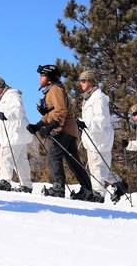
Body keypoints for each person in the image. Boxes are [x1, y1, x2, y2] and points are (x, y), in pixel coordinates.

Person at [27, 64, 100, 201]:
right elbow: (50, 113)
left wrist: (50, 126)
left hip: (63, 129)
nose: (39, 78)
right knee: (72, 160)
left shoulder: (55, 90)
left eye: (42, 75)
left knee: (54, 156)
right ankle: (87, 190)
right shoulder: (51, 91)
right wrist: (37, 126)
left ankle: (58, 188)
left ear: (48, 78)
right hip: (68, 129)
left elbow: (61, 111)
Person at [76, 70, 128, 202]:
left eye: (84, 80)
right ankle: (119, 183)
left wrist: (85, 124)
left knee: (97, 168)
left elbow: (102, 120)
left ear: (91, 81)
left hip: (99, 139)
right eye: (80, 80)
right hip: (95, 138)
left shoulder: (98, 98)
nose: (81, 83)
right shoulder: (89, 97)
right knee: (101, 168)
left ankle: (98, 195)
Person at [0, 76, 33, 193]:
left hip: (14, 134)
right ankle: (26, 185)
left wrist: (7, 115)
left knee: (6, 157)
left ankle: (5, 182)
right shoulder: (2, 99)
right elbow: (0, 117)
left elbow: (19, 111)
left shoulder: (11, 94)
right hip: (17, 135)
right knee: (20, 161)